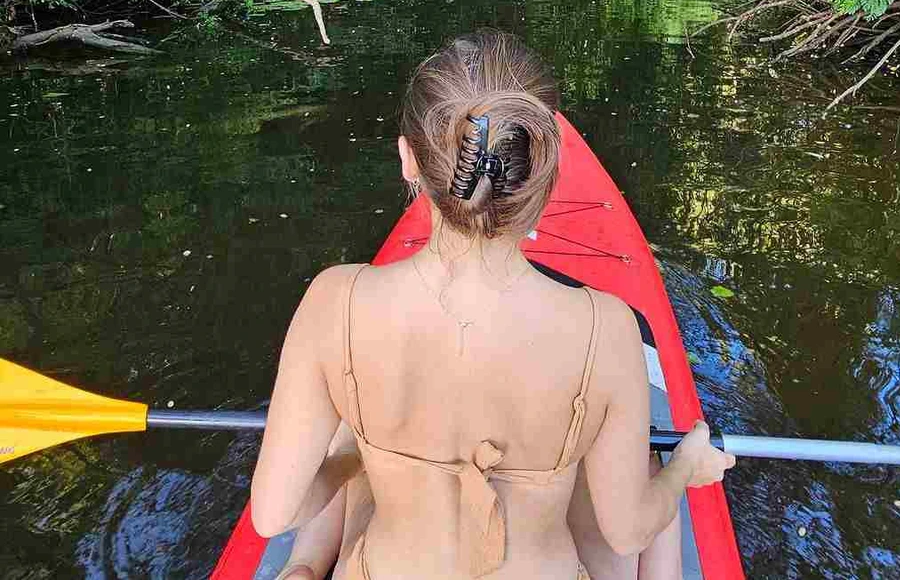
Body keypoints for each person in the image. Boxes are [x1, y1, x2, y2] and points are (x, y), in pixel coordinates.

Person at [250, 30, 735, 580]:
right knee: (650, 462)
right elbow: (628, 529)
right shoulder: (608, 328)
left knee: (344, 429)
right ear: (546, 175)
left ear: (409, 159)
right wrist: (686, 469)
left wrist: (354, 456)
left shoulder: (333, 301)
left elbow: (274, 514)